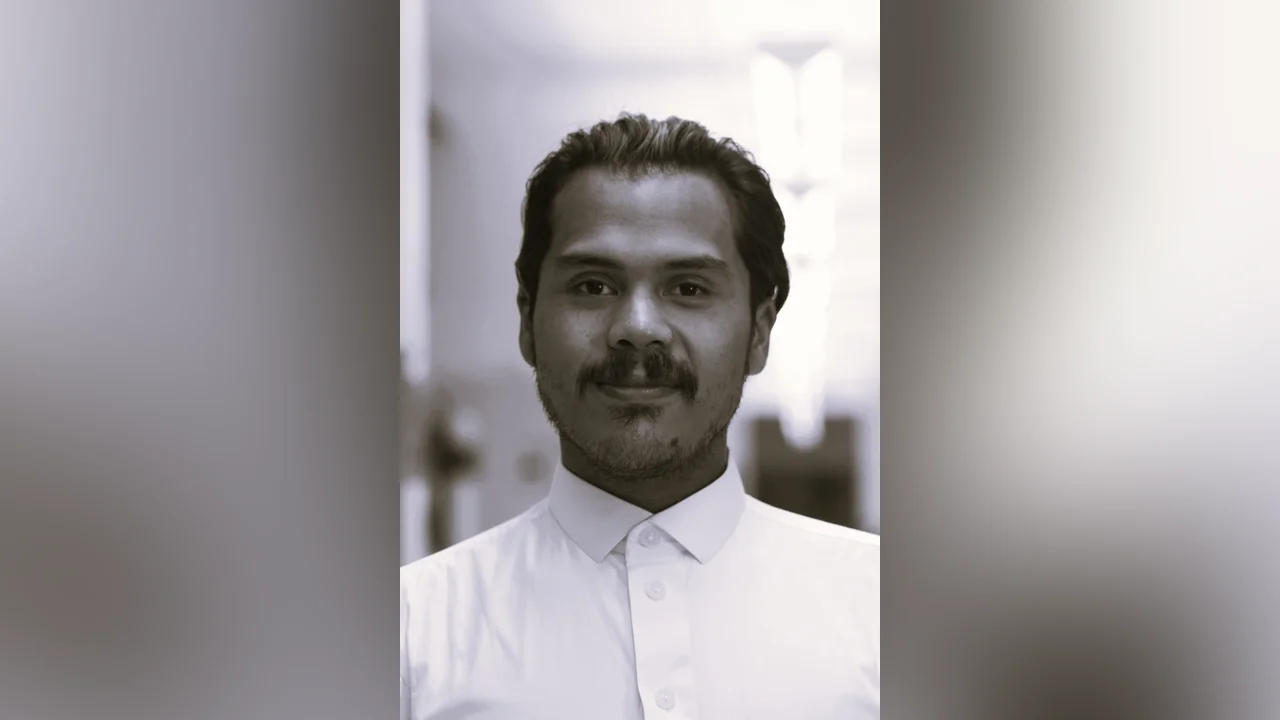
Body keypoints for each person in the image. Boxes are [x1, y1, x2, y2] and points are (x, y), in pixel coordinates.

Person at [400, 113, 880, 719]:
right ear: (527, 322)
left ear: (759, 333)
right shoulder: (413, 632)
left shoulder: (882, 612)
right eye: (594, 286)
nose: (637, 328)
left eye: (689, 288)